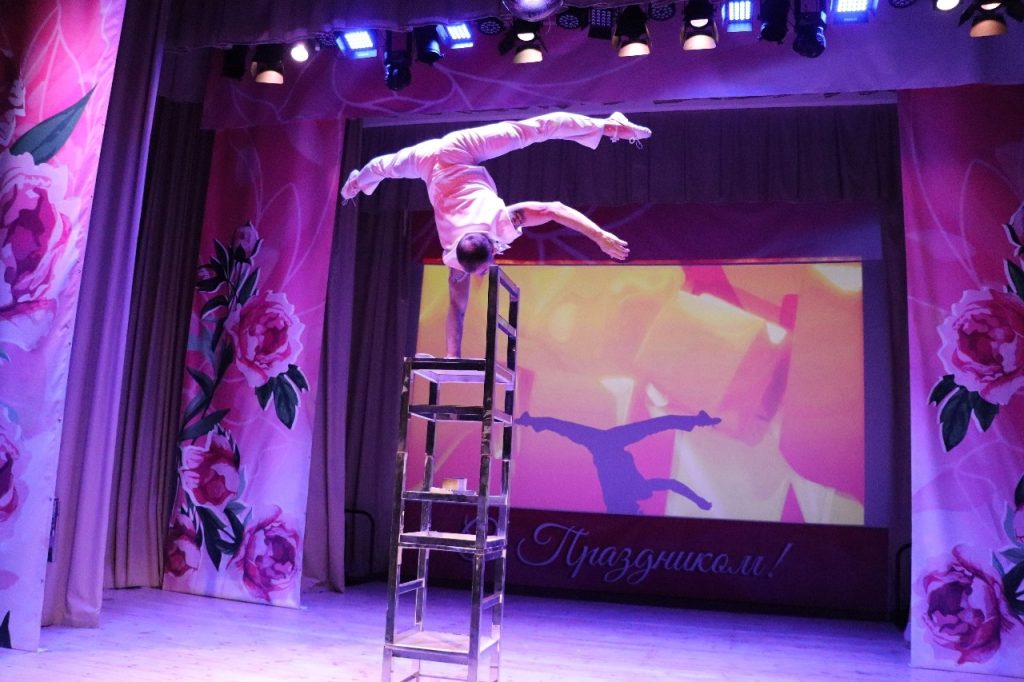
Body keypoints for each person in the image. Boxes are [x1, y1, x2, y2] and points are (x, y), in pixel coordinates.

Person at [340, 111, 651, 357]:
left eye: (485, 265)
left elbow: (554, 208)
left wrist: (599, 236)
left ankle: (611, 125)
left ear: (490, 246)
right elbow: (457, 307)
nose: (484, 271)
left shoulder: (501, 222)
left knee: (532, 130)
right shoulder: (455, 253)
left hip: (459, 150)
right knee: (383, 168)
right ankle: (356, 182)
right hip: (428, 162)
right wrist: (451, 357)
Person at [517, 411, 720, 514]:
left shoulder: (633, 492)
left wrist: (698, 500)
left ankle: (532, 421)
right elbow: (672, 485)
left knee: (563, 427)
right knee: (563, 427)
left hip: (607, 443)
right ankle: (532, 421)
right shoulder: (636, 491)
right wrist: (698, 500)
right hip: (605, 443)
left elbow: (672, 485)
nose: (640, 510)